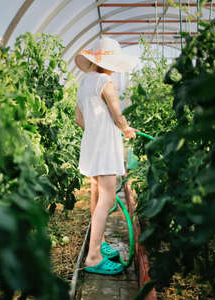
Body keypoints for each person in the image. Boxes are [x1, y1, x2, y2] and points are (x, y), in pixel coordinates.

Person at [74, 37, 139, 275]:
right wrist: (126, 129)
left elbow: (78, 120)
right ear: (109, 62)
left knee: (97, 194)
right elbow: (117, 114)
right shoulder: (105, 81)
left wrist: (96, 130)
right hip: (105, 146)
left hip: (91, 145)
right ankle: (92, 257)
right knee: (108, 199)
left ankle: (99, 243)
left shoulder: (84, 83)